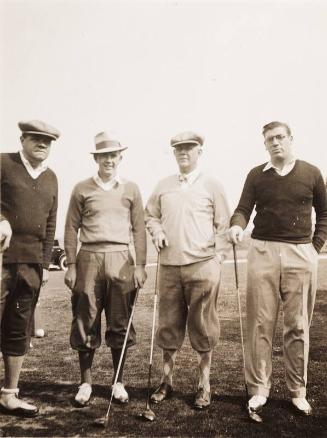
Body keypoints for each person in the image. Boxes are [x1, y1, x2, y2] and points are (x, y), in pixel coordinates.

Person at [229, 121, 327, 416]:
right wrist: (236, 226)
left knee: (297, 325)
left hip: (301, 252)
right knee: (261, 324)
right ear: (265, 144)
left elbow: (324, 212)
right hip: (262, 252)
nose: (275, 143)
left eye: (280, 137)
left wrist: (316, 245)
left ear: (290, 139)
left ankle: (298, 391)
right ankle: (259, 390)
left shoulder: (311, 172)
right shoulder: (257, 175)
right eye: (269, 139)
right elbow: (243, 208)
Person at [145, 131, 230, 409]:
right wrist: (156, 232)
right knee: (169, 326)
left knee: (203, 327)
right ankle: (166, 381)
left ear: (199, 151)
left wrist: (217, 258)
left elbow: (223, 225)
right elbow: (151, 215)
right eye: (178, 148)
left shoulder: (212, 185)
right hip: (169, 267)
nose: (183, 152)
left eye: (189, 148)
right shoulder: (163, 185)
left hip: (203, 266)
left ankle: (203, 384)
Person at [64, 131, 147, 407]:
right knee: (85, 319)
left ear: (120, 157)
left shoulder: (131, 188)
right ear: (96, 158)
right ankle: (85, 382)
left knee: (120, 321)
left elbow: (139, 229)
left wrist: (140, 265)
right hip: (88, 258)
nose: (108, 160)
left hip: (121, 258)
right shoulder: (81, 188)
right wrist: (72, 265)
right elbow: (71, 227)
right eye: (103, 155)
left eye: (113, 155)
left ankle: (117, 382)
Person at [0, 120, 60, 417]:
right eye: (36, 139)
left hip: (32, 265)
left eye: (48, 141)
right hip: (1, 261)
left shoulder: (51, 178)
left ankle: (9, 395)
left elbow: (51, 225)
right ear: (22, 138)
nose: (42, 144)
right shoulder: (3, 163)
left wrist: (46, 265)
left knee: (18, 329)